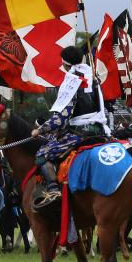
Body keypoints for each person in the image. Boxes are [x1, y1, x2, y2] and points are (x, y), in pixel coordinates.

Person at [31, 46, 108, 209]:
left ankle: (52, 190)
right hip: (100, 130)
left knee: (41, 154)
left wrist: (41, 129)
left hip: (81, 132)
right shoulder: (94, 76)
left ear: (65, 64)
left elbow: (62, 118)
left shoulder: (71, 80)